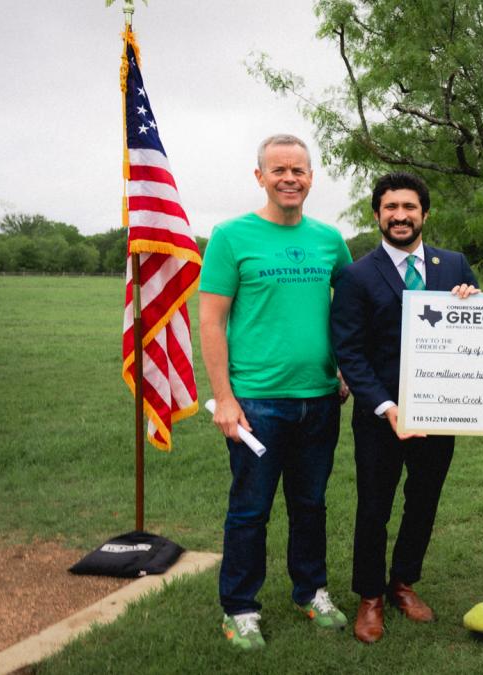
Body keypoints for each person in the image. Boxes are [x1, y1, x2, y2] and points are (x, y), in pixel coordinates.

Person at [199, 134, 353, 650]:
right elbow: (212, 319)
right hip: (256, 403)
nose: (290, 178)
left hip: (320, 398)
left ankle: (310, 591)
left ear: (312, 177)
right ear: (259, 176)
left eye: (299, 170)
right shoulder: (231, 236)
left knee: (310, 504)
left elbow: (350, 312)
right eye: (279, 170)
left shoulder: (330, 240)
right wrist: (224, 398)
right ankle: (240, 608)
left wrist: (346, 369)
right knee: (251, 509)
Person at [330, 171, 479, 644]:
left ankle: (403, 583)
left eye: (409, 207)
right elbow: (348, 352)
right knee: (374, 506)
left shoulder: (453, 265)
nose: (400, 216)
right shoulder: (355, 276)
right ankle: (370, 595)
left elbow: (480, 332)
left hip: (439, 413)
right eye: (391, 208)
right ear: (377, 215)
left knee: (423, 502)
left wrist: (473, 303)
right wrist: (385, 406)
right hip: (380, 417)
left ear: (424, 214)